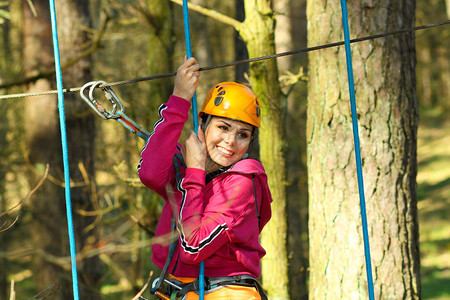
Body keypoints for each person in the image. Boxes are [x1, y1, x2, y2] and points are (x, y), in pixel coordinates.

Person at [138, 57, 272, 300]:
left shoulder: (243, 182)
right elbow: (150, 175)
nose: (231, 141)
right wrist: (179, 98)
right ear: (203, 124)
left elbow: (193, 246)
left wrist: (196, 171)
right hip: (183, 290)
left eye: (242, 134)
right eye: (223, 127)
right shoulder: (187, 165)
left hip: (227, 293)